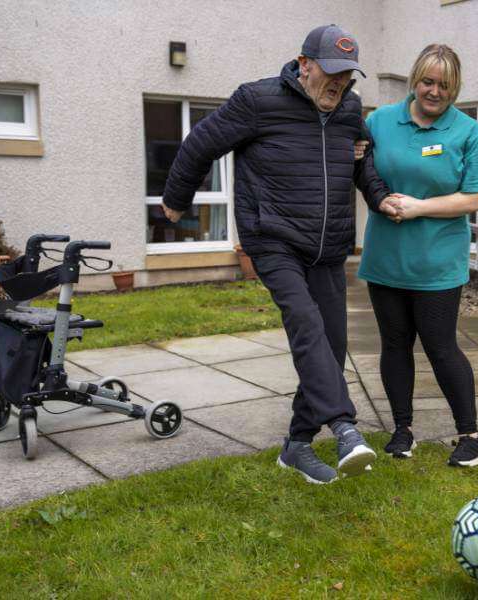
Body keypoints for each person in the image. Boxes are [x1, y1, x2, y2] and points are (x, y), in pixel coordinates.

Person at [162, 24, 397, 484]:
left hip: (327, 245)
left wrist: (379, 197)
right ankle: (345, 428)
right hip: (272, 238)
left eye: (347, 75)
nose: (340, 84)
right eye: (331, 72)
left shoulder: (348, 107)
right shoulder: (257, 101)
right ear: (304, 64)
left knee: (332, 344)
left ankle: (297, 446)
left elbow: (360, 161)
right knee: (305, 323)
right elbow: (199, 145)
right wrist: (176, 199)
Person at [356, 44, 478, 467]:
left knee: (440, 346)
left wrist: (418, 207)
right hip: (385, 258)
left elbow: (474, 198)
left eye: (445, 85)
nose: (435, 92)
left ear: (455, 89)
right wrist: (380, 202)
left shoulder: (466, 131)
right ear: (416, 79)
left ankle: (471, 436)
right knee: (394, 344)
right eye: (428, 82)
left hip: (437, 263)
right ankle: (402, 431)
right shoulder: (379, 121)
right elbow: (365, 171)